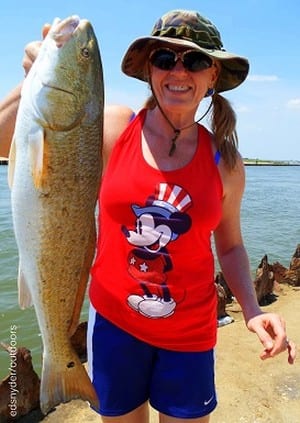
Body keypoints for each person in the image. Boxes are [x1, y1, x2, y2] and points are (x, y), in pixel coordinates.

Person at [0, 9, 296, 423]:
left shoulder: (226, 161)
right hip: (115, 327)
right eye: (164, 58)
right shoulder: (114, 127)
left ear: (213, 76)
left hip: (190, 335)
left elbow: (229, 246)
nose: (178, 70)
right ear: (149, 70)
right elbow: (11, 136)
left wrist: (253, 310)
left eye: (194, 61)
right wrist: (32, 78)